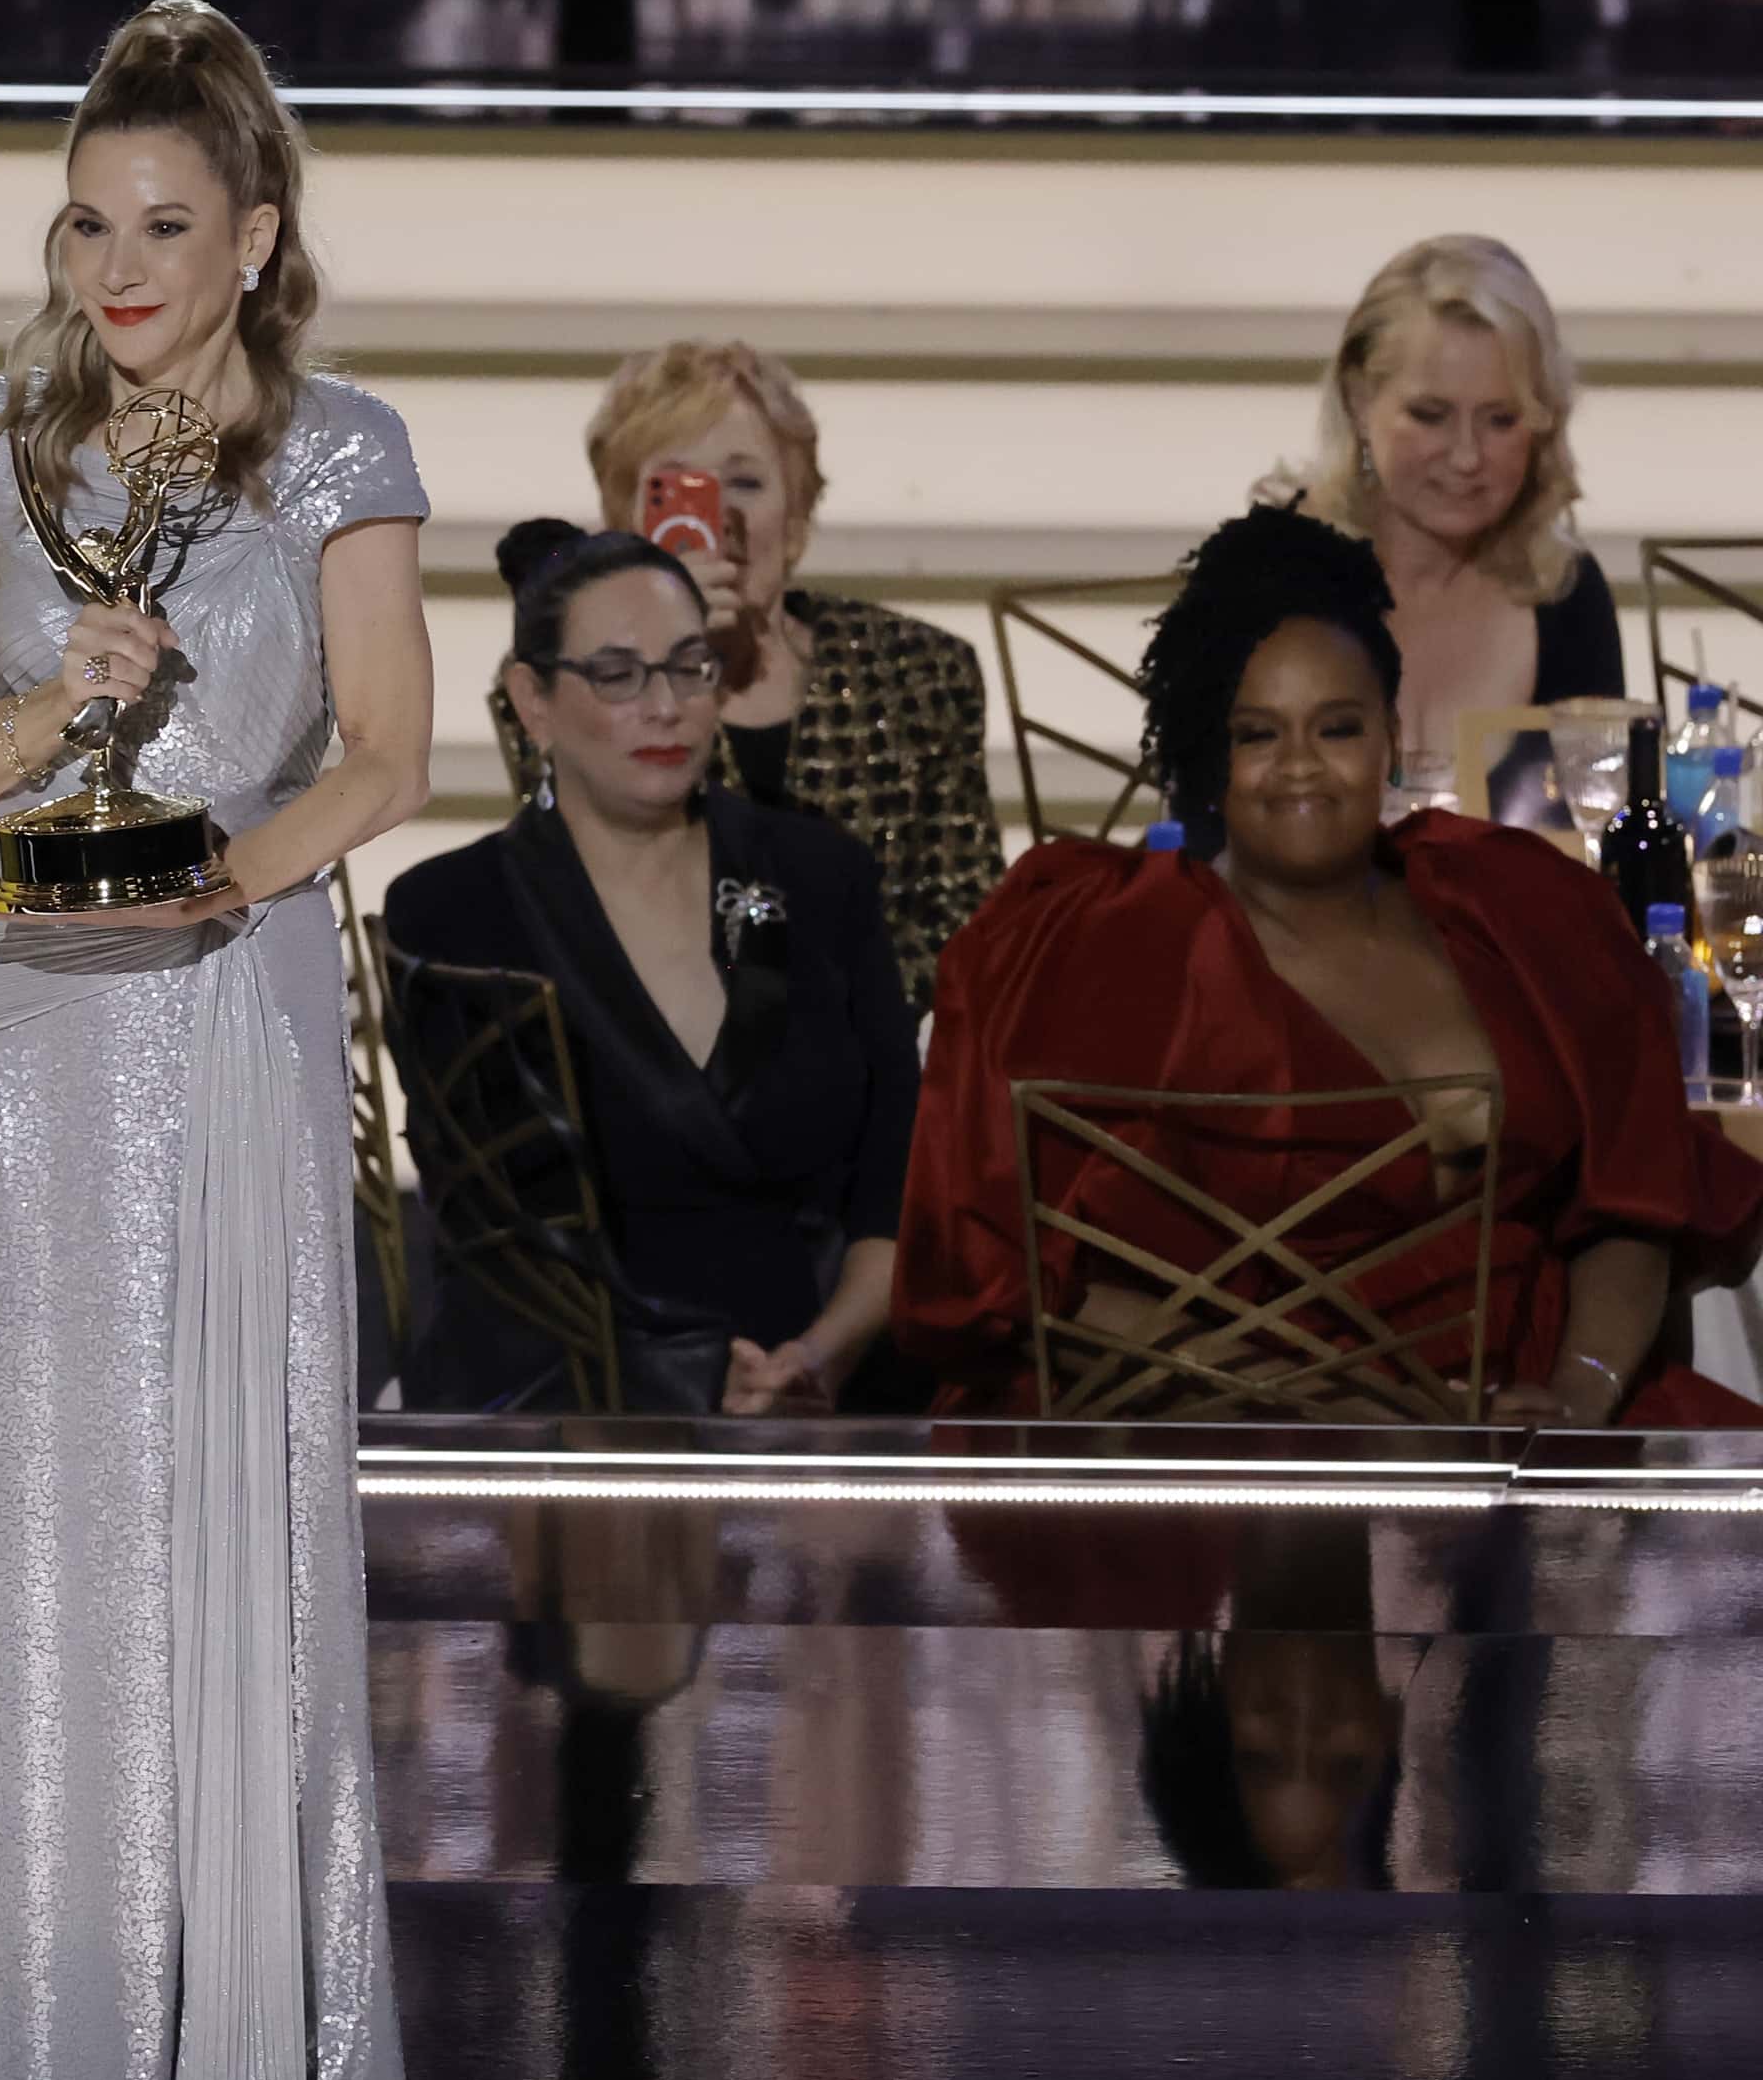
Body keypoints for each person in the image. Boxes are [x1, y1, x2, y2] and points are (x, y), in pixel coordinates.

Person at [0, 0, 432, 2080]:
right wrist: (45, 713)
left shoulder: (336, 455)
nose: (116, 263)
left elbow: (384, 748)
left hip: (222, 1003)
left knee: (225, 1504)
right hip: (27, 1019)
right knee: (28, 1514)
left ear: (253, 234)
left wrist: (217, 865)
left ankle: (228, 2069)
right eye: (87, 218)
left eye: (164, 221)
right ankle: (31, 2040)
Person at [898, 505, 1763, 1425]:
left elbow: (1637, 1201)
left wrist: (1578, 1397)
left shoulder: (1521, 910)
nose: (1301, 768)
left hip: (1527, 1430)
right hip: (1210, 1435)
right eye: (1257, 733)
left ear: (1391, 734)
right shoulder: (1089, 940)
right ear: (1205, 753)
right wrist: (1347, 1413)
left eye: (1338, 727)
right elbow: (1007, 1274)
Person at [388, 519, 917, 1415]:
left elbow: (895, 1185)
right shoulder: (450, 910)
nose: (664, 706)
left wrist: (819, 1357)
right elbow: (498, 1245)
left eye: (688, 666)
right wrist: (697, 1376)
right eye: (617, 674)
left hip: (827, 1394)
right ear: (535, 699)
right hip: (571, 1410)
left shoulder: (821, 874)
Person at [495, 339, 1003, 1010]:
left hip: (883, 1062)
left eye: (745, 483)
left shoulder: (924, 672)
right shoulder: (565, 683)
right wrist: (668, 655)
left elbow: (965, 924)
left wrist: (827, 1018)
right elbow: (598, 910)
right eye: (682, 491)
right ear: (625, 521)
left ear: (796, 515)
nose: (721, 523)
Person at [1273, 233, 1617, 829]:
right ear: (1359, 399)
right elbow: (1204, 850)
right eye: (1430, 416)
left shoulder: (1566, 594)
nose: (1465, 458)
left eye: (1500, 420)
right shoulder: (1264, 579)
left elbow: (1596, 867)